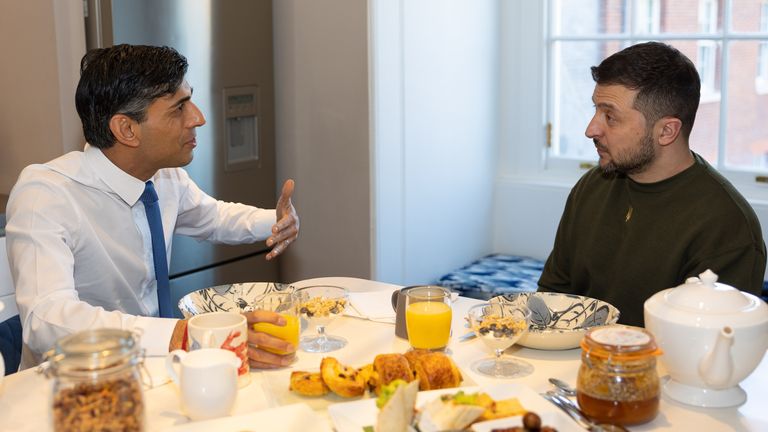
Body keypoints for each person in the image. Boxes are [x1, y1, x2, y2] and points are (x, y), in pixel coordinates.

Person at [5, 44, 300, 369]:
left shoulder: (164, 176)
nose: (198, 118)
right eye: (179, 108)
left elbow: (213, 216)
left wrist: (275, 220)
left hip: (151, 370)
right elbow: (46, 320)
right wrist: (179, 335)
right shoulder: (46, 194)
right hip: (72, 387)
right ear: (127, 129)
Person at [537, 42, 766, 327]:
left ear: (667, 131)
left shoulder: (727, 226)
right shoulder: (593, 186)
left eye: (610, 116)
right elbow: (552, 298)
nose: (591, 129)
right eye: (596, 110)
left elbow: (710, 351)